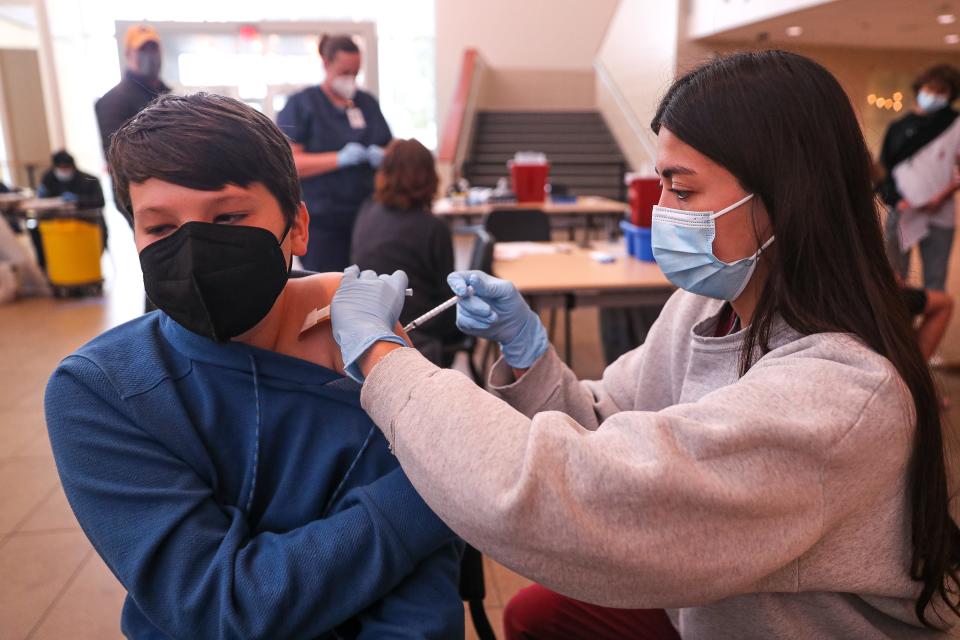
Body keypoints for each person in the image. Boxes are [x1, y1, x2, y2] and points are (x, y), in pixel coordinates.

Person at [327, 51, 960, 638]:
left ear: (786, 200)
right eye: (661, 185)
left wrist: (386, 362)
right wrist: (528, 353)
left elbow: (585, 500)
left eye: (681, 191)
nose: (661, 211)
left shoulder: (841, 397)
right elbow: (611, 421)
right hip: (711, 602)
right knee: (533, 614)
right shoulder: (709, 301)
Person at [44, 93, 463, 639]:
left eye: (230, 216)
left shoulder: (358, 343)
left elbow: (422, 603)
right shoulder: (103, 391)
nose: (195, 248)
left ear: (298, 226)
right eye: (161, 229)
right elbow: (219, 608)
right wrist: (442, 480)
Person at [277, 34, 391, 272]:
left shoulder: (366, 103)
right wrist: (339, 159)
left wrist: (382, 155)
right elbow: (289, 163)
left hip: (367, 216)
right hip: (323, 222)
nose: (350, 79)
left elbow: (389, 145)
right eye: (344, 72)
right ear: (326, 65)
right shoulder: (302, 105)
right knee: (327, 289)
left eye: (355, 72)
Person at [351, 138, 460, 366]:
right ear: (430, 177)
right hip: (418, 333)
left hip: (368, 331)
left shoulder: (367, 211)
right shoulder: (433, 228)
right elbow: (447, 300)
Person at [878, 64, 960, 291]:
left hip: (939, 214)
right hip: (902, 210)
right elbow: (883, 170)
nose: (933, 96)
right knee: (895, 279)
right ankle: (901, 326)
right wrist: (896, 200)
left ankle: (933, 322)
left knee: (935, 277)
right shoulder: (898, 127)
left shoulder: (955, 124)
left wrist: (941, 197)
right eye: (930, 89)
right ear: (920, 89)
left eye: (941, 91)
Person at [95, 24, 171, 225]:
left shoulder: (164, 95)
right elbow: (117, 156)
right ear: (128, 54)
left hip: (171, 188)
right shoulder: (114, 101)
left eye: (153, 49)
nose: (150, 55)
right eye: (143, 50)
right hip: (141, 194)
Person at [37, 150, 108, 255]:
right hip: (58, 226)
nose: (64, 171)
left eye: (66, 167)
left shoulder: (89, 180)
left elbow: (100, 202)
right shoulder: (48, 179)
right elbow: (43, 200)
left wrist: (78, 200)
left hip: (86, 223)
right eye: (60, 168)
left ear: (72, 166)